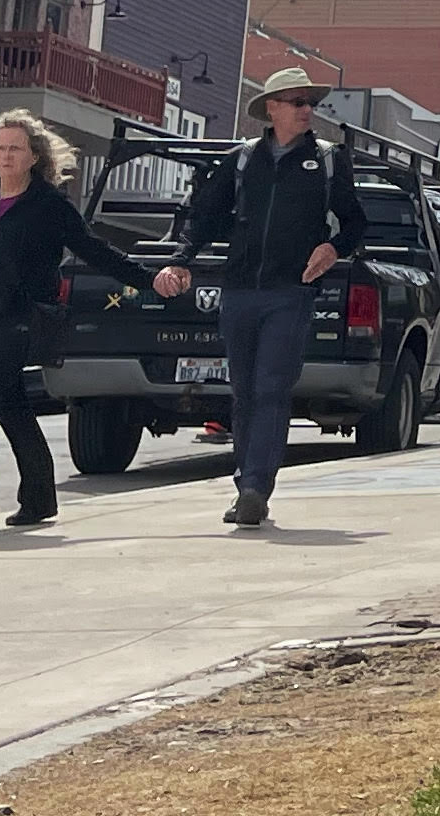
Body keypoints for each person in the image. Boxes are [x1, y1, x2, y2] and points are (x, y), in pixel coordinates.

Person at [0, 108, 152, 537]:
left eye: (16, 149)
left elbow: (94, 249)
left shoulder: (49, 206)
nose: (6, 156)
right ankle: (40, 497)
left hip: (21, 319)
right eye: (0, 148)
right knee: (11, 405)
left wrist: (149, 279)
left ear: (34, 157)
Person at [150, 66, 364, 528]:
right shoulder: (242, 160)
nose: (307, 110)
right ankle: (244, 478)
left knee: (271, 388)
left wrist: (333, 248)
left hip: (292, 293)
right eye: (296, 102)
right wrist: (181, 259)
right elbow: (204, 218)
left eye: (310, 102)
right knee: (244, 392)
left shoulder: (328, 161)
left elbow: (356, 224)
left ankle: (255, 489)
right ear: (272, 108)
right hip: (240, 291)